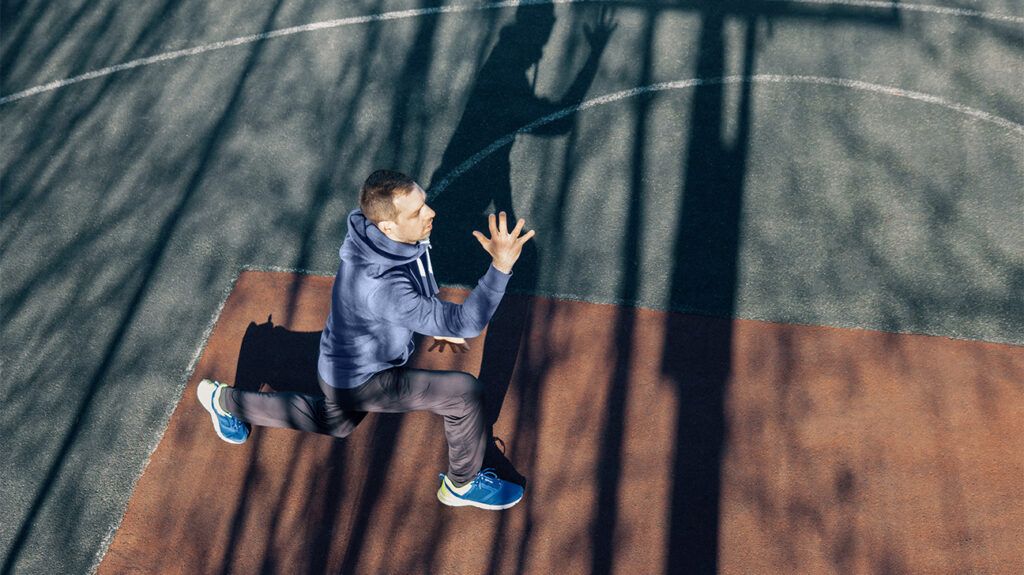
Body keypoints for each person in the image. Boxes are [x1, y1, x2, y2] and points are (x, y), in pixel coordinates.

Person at [195, 169, 535, 510]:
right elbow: (468, 321)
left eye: (424, 204)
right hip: (362, 378)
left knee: (336, 422)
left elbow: (416, 270)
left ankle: (224, 402)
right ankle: (462, 483)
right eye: (417, 212)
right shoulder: (383, 288)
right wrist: (501, 267)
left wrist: (430, 310)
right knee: (464, 395)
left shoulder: (370, 229)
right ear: (388, 226)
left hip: (341, 361)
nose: (430, 213)